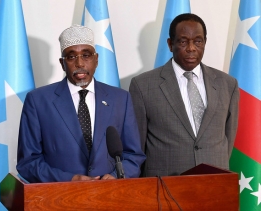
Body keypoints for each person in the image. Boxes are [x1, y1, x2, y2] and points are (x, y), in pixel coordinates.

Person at [17, 25, 145, 182]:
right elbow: (28, 162)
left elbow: (133, 155)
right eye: (71, 57)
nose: (79, 63)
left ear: (96, 59)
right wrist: (70, 180)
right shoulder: (38, 101)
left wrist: (114, 177)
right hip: (60, 199)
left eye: (86, 55)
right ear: (62, 63)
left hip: (110, 197)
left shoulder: (120, 99)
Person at [129, 13, 239, 177]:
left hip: (214, 184)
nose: (191, 48)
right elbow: (137, 147)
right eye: (183, 41)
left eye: (198, 41)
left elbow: (228, 139)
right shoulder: (143, 85)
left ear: (204, 43)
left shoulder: (227, 84)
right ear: (170, 44)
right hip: (165, 186)